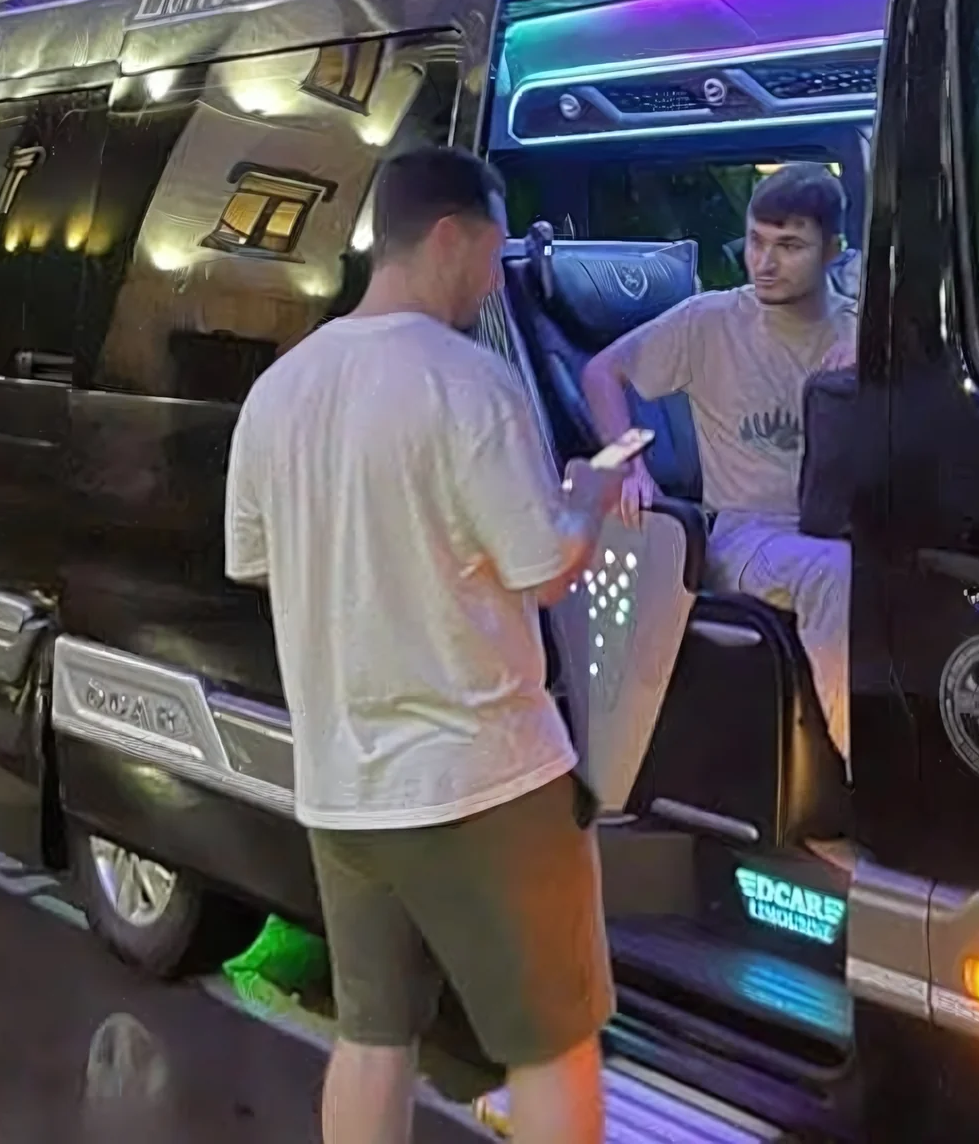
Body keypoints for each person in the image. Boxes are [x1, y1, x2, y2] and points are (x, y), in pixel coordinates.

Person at [225, 147, 624, 1144]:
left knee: (372, 1037)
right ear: (449, 237)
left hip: (343, 788)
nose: (492, 279)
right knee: (553, 1045)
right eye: (490, 252)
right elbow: (543, 567)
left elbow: (258, 562)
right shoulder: (467, 381)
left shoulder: (279, 390)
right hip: (485, 782)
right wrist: (588, 499)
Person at [580, 161, 857, 763]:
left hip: (844, 526)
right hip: (745, 535)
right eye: (756, 241)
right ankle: (871, 783)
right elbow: (603, 372)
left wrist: (872, 368)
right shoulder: (709, 321)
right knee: (836, 573)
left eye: (790, 246)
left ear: (833, 252)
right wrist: (628, 463)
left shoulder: (861, 330)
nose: (765, 262)